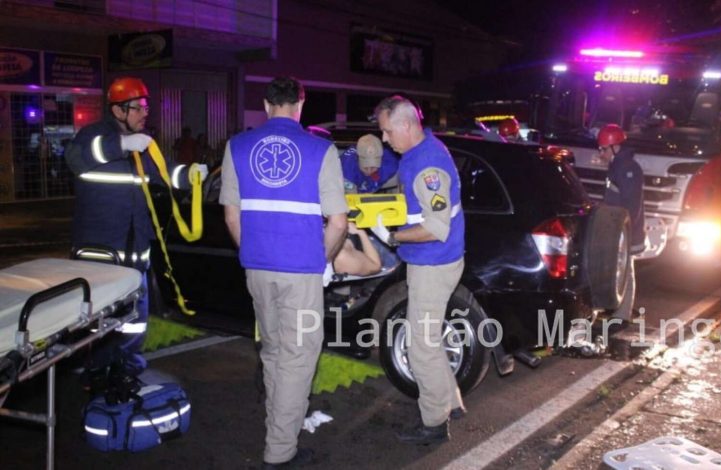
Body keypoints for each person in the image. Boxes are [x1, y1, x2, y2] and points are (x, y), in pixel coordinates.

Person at [220, 76, 347, 468]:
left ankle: (280, 429)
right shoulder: (321, 150)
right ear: (300, 104)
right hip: (301, 271)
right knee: (298, 357)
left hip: (257, 269)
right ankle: (280, 450)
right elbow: (339, 223)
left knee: (274, 352)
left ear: (265, 104)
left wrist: (256, 251)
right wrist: (320, 261)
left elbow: (231, 215)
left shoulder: (236, 146)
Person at [65, 77, 201, 380]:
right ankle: (97, 371)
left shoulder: (143, 145)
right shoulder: (93, 136)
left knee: (134, 321)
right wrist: (121, 145)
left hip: (136, 251)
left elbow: (163, 173)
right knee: (99, 319)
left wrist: (192, 174)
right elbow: (74, 159)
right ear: (117, 110)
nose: (144, 114)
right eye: (137, 108)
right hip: (100, 253)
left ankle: (127, 367)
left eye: (146, 108)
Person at [371, 95, 466, 445]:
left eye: (386, 131)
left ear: (407, 126)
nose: (384, 139)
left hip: (434, 263)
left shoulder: (428, 166)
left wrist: (392, 237)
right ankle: (451, 403)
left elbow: (436, 227)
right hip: (433, 261)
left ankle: (434, 423)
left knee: (419, 346)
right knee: (428, 338)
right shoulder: (416, 154)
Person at [598, 123, 645, 320]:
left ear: (615, 147)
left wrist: (623, 230)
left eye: (603, 149)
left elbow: (631, 205)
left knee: (625, 271)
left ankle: (623, 314)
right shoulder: (618, 166)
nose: (600, 153)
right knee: (619, 269)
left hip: (625, 231)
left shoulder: (627, 169)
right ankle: (619, 310)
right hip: (618, 229)